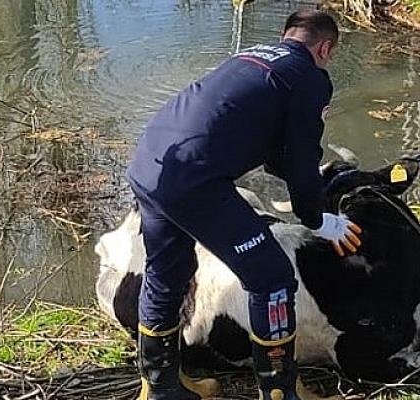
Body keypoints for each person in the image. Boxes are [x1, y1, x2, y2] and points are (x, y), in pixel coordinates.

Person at [125, 10, 362, 400]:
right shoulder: (309, 78)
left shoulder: (249, 56)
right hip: (195, 181)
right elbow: (300, 157)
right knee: (272, 278)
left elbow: (274, 154)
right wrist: (319, 219)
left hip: (150, 164)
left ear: (286, 36)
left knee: (167, 273)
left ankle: (160, 389)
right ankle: (280, 393)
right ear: (325, 48)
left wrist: (306, 177)